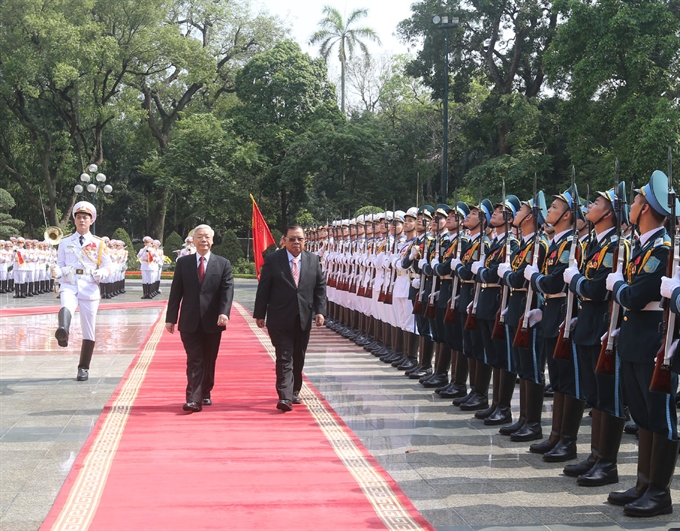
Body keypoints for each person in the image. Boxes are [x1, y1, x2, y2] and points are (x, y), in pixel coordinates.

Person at [253, 225, 327, 412]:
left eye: (299, 239)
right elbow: (264, 289)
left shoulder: (313, 260)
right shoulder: (272, 260)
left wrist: (320, 311)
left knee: (298, 356)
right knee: (284, 356)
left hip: (303, 316)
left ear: (305, 241)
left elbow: (320, 287)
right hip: (279, 317)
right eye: (292, 239)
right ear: (284, 240)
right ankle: (284, 396)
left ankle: (295, 390)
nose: (296, 243)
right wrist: (260, 313)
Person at [165, 224, 234, 413]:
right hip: (189, 320)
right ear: (193, 241)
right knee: (194, 359)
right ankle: (193, 399)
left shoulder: (223, 264)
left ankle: (205, 391)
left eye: (207, 237)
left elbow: (227, 291)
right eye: (199, 237)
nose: (203, 240)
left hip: (213, 320)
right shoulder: (183, 263)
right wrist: (171, 318)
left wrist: (224, 312)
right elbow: (176, 292)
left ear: (212, 241)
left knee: (209, 359)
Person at [53, 201, 113, 381]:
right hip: (69, 283)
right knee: (66, 305)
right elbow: (61, 264)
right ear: (75, 220)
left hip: (89, 285)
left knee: (89, 329)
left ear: (91, 220)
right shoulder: (64, 242)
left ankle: (83, 368)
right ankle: (63, 330)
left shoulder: (99, 243)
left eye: (85, 217)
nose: (82, 220)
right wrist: (56, 270)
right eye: (79, 217)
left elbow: (109, 266)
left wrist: (101, 272)